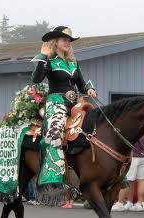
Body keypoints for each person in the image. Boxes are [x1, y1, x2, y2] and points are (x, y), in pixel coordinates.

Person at [31, 26, 96, 197]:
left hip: (74, 102)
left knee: (95, 122)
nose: (67, 42)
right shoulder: (49, 62)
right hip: (56, 101)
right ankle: (53, 174)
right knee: (55, 130)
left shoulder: (73, 63)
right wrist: (43, 57)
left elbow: (81, 84)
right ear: (56, 42)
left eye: (69, 40)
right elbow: (36, 80)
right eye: (64, 40)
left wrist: (88, 89)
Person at [112, 135, 144, 212]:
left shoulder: (136, 128)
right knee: (142, 180)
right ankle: (140, 202)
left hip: (134, 156)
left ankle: (120, 203)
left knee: (128, 180)